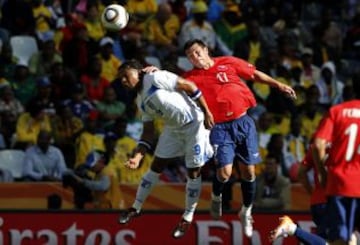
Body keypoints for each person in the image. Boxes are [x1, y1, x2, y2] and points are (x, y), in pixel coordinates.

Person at [182, 39, 296, 237]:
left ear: (206, 50)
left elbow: (254, 74)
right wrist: (150, 73)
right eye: (190, 56)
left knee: (249, 173)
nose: (195, 57)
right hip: (219, 127)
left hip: (243, 122)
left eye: (197, 52)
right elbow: (169, 84)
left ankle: (246, 210)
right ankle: (217, 196)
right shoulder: (190, 77)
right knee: (225, 173)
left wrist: (278, 84)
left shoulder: (228, 62)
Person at [117, 59, 214, 239]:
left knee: (193, 172)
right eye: (120, 78)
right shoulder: (140, 102)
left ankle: (187, 216)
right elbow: (147, 133)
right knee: (156, 166)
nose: (123, 80)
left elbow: (188, 85)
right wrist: (138, 157)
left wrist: (207, 112)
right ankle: (136, 207)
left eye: (125, 75)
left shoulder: (155, 77)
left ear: (138, 72)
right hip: (173, 130)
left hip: (195, 123)